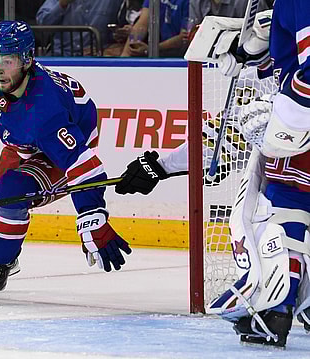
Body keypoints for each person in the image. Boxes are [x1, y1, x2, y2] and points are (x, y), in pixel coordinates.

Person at [120, 3, 310, 348]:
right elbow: (281, 73)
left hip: (301, 137)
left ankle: (275, 308)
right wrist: (254, 49)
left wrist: (286, 122)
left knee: (281, 215)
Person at [0, 20, 132, 304]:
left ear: (28, 59)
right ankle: (4, 253)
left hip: (58, 149)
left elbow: (83, 163)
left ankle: (0, 264)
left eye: (8, 61)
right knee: (1, 198)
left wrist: (91, 215)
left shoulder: (45, 111)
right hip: (22, 142)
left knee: (11, 192)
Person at [36, 0, 122, 56]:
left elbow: (125, 28)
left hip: (98, 56)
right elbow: (42, 23)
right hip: (61, 54)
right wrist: (61, 4)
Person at [120, 0, 189, 58]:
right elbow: (142, 24)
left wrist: (152, 49)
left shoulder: (188, 2)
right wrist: (125, 55)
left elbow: (183, 38)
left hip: (179, 56)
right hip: (157, 50)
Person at [190, 0, 271, 26]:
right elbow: (193, 35)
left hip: (245, 58)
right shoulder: (196, 2)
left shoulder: (247, 2)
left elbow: (263, 30)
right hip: (204, 57)